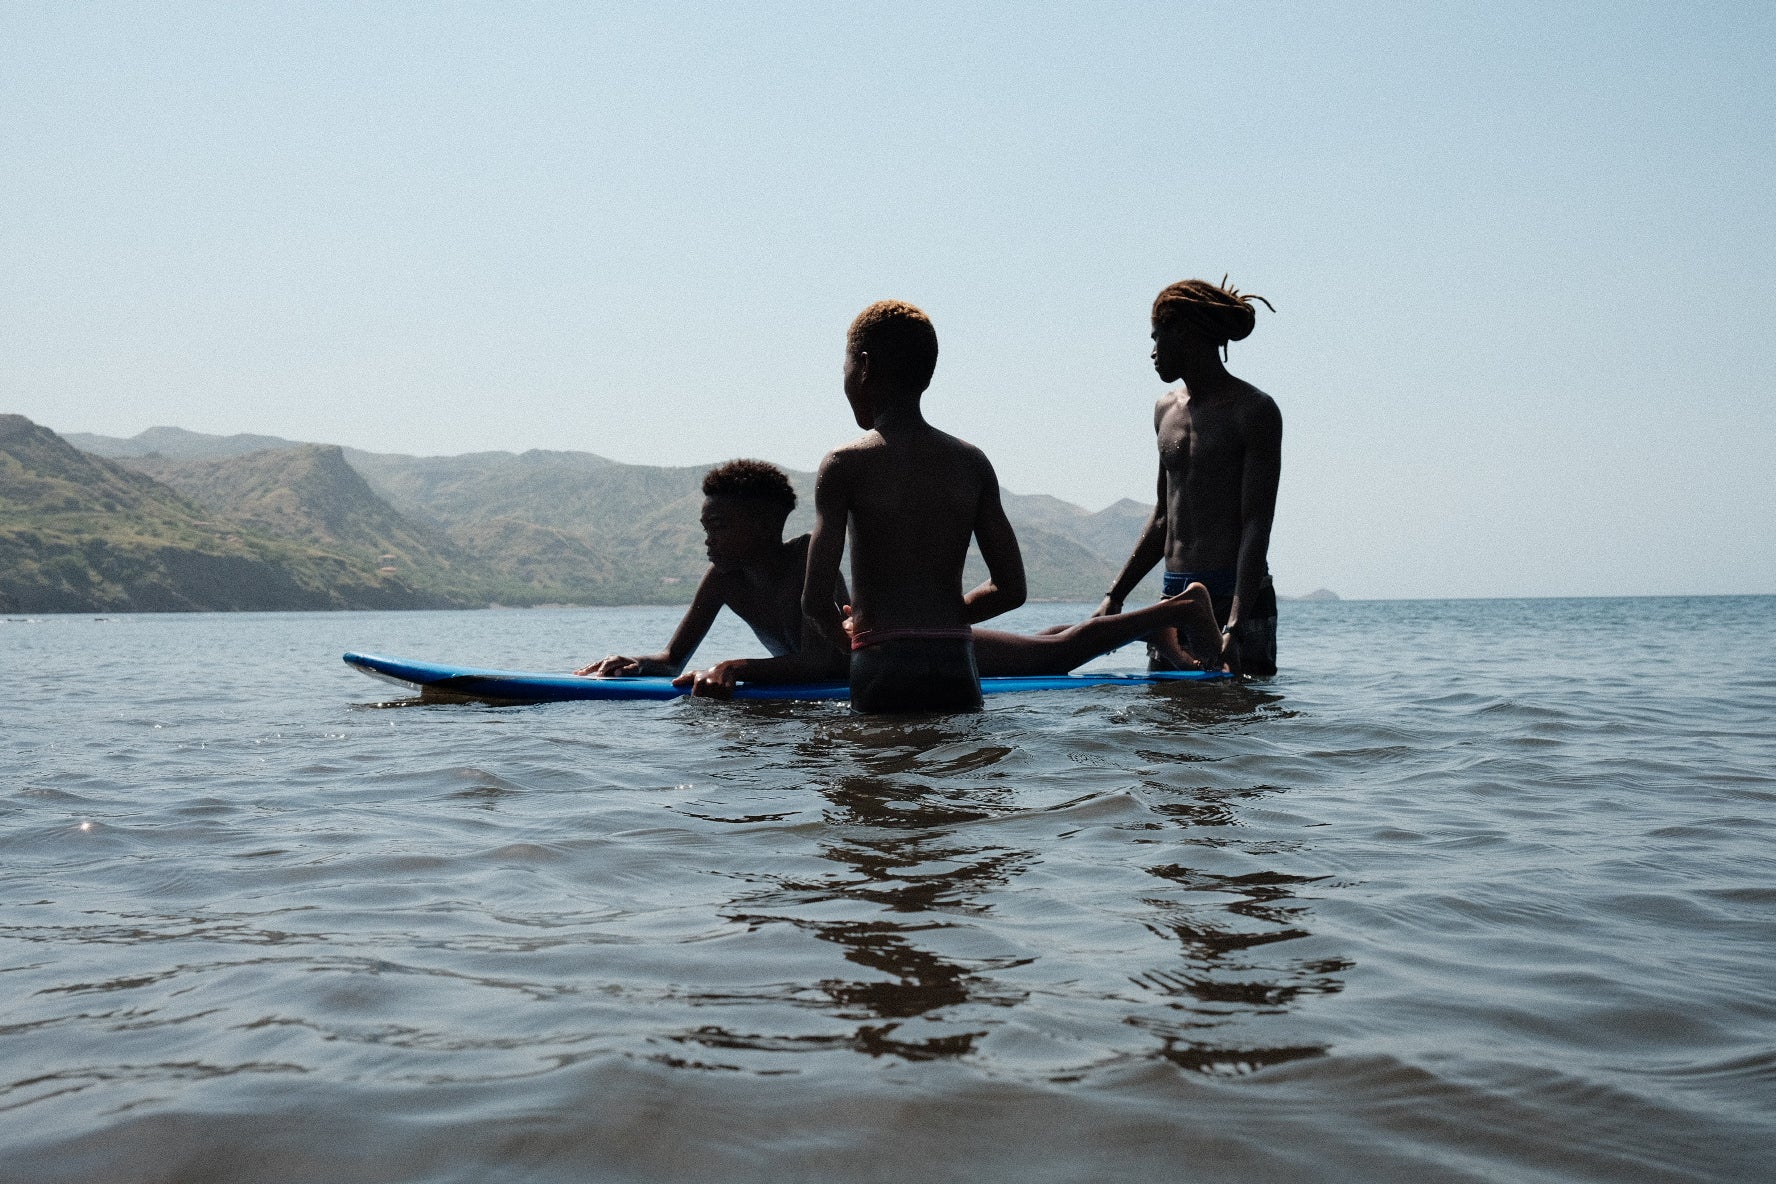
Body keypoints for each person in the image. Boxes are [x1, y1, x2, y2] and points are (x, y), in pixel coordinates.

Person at [1096, 278, 1282, 676]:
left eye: (1157, 337)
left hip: (1236, 595)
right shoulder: (1165, 411)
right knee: (1169, 727)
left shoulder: (1254, 411)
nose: (1152, 352)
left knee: (1237, 728)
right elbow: (1165, 515)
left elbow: (1256, 524)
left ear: (1182, 332)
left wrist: (1233, 622)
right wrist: (1116, 595)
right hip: (1174, 594)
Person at [576, 459, 850, 689]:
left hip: (850, 684)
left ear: (764, 526)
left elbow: (814, 664)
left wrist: (732, 668)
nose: (709, 540)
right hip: (806, 688)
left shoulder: (809, 560)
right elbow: (673, 659)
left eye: (718, 527)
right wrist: (636, 663)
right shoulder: (723, 578)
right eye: (706, 529)